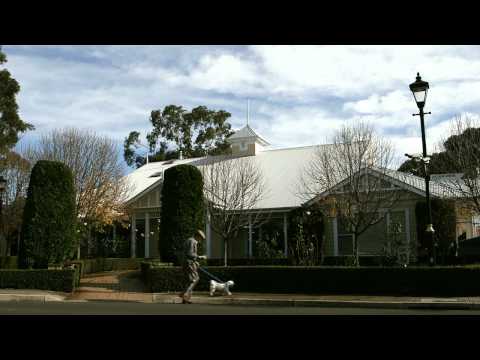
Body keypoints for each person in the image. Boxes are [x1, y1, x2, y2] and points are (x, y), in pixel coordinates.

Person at [180, 229, 207, 304]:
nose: (201, 241)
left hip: (186, 263)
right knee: (195, 279)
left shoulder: (188, 240)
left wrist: (196, 261)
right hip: (189, 263)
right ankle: (184, 294)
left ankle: (185, 299)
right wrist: (200, 257)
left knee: (188, 280)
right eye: (201, 239)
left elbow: (187, 254)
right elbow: (190, 253)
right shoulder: (193, 241)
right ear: (198, 236)